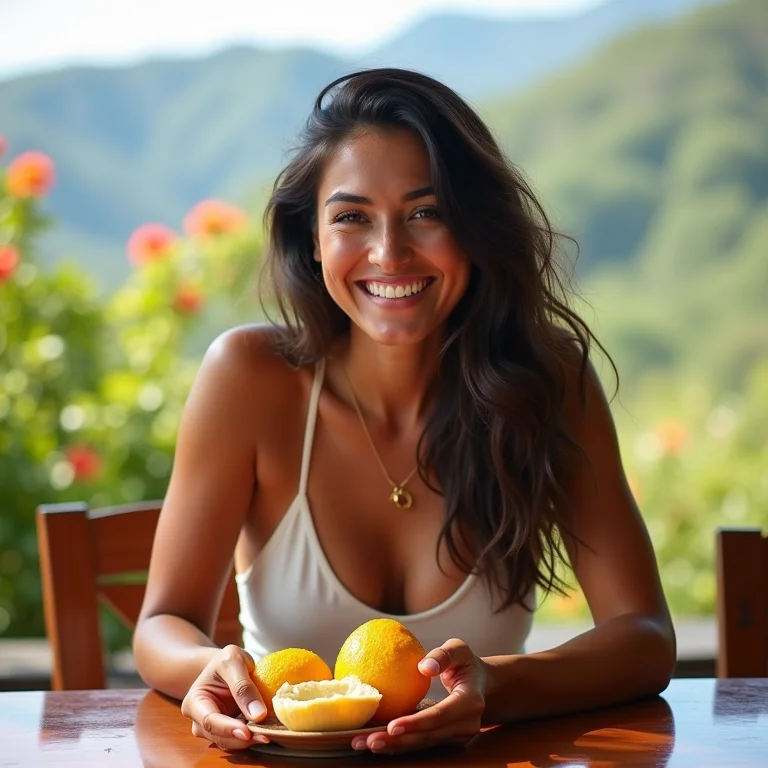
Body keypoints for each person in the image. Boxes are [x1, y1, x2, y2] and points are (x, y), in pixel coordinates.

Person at [132, 67, 676, 755]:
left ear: (475, 228)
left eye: (427, 212)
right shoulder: (250, 379)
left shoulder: (547, 383)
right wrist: (205, 667)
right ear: (313, 238)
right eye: (352, 217)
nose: (389, 252)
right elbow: (165, 622)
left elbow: (645, 637)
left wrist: (497, 689)